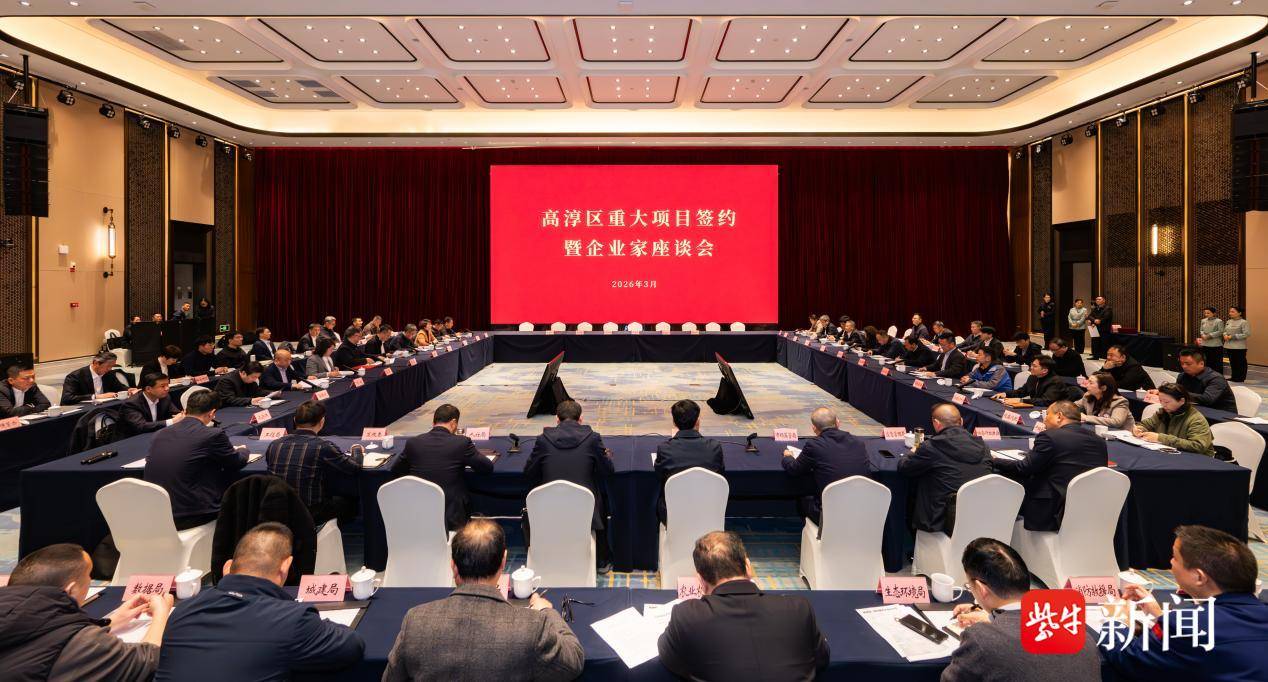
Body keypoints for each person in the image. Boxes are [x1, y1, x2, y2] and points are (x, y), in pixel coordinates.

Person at [156, 523, 364, 680]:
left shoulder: (181, 612)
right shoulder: (292, 620)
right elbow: (352, 645)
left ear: (228, 567)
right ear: (285, 567)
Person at [383, 519, 583, 681]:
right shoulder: (533, 626)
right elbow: (573, 661)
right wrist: (547, 612)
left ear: (453, 566)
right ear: (503, 561)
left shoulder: (416, 620)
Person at [1100, 525, 1268, 681]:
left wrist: (1116, 620)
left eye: (1175, 557)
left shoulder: (1186, 626)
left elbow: (1130, 659)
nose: (1171, 563)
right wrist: (1160, 616)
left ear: (1199, 577)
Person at [658, 531, 829, 681]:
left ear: (701, 581)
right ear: (748, 567)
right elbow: (822, 657)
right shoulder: (799, 609)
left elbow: (669, 658)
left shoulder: (687, 617)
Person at [0, 543, 172, 680]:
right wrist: (161, 614)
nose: (91, 579)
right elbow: (148, 660)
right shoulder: (83, 644)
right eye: (89, 574)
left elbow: (41, 632)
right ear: (71, 590)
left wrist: (110, 622)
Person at [942, 538, 1100, 681]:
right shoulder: (1078, 631)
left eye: (969, 587)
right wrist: (993, 618)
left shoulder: (981, 639)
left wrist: (992, 626)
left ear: (981, 589)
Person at [524, 400, 615, 572]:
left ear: (557, 420)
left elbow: (529, 472)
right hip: (585, 512)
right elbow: (608, 471)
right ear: (581, 419)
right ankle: (601, 560)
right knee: (598, 494)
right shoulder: (593, 439)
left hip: (548, 510)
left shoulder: (543, 440)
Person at [991, 400, 1107, 532]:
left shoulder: (1050, 437)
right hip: (1090, 510)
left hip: (1051, 511)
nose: (1044, 420)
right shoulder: (1099, 441)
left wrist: (994, 460)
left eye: (1047, 415)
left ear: (1059, 416)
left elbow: (1024, 468)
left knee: (1003, 481)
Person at [143, 389, 249, 529]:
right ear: (211, 413)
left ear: (186, 410)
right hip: (192, 513)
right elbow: (236, 462)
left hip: (157, 511)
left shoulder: (160, 433)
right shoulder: (213, 435)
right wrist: (243, 450)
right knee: (241, 502)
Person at [390, 404, 493, 530]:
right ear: (454, 423)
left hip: (418, 510)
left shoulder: (413, 442)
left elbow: (396, 470)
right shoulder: (461, 442)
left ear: (433, 422)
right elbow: (486, 467)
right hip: (452, 515)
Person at [897, 404, 991, 533]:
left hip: (941, 523)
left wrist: (913, 451)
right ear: (961, 421)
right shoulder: (983, 445)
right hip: (979, 517)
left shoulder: (931, 447)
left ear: (936, 423)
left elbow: (904, 468)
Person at [265, 401, 362, 524]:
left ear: (294, 420)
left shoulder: (274, 444)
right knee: (350, 501)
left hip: (277, 510)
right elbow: (355, 468)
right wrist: (357, 449)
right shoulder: (323, 446)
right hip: (310, 512)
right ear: (322, 422)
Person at [781, 406, 874, 525]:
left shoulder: (814, 445)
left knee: (802, 498)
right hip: (863, 512)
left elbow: (794, 469)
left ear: (814, 428)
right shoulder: (859, 443)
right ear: (838, 423)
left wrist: (788, 456)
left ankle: (814, 532)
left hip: (829, 516)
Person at [654, 399, 725, 525]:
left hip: (673, 516)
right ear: (697, 421)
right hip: (709, 512)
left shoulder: (665, 449)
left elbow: (659, 474)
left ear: (674, 422)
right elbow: (721, 473)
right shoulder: (714, 447)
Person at [1134, 383, 1216, 456]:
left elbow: (1198, 446)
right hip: (1170, 454)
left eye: (1166, 402)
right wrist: (1139, 429)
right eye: (1160, 401)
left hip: (1196, 460)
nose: (1163, 405)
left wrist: (1160, 438)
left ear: (1182, 401)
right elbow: (1145, 424)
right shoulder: (1163, 413)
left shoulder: (1196, 419)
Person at [1164, 348, 1237, 412]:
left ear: (1201, 364)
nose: (1184, 366)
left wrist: (1179, 393)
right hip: (1195, 410)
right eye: (1182, 363)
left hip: (1221, 414)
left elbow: (1207, 399)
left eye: (1188, 364)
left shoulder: (1216, 378)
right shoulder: (1182, 376)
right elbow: (1177, 394)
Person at [118, 373, 183, 436]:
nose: (167, 388)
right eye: (162, 386)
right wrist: (172, 421)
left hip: (156, 434)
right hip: (133, 438)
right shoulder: (131, 404)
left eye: (167, 385)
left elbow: (175, 413)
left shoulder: (164, 397)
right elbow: (141, 426)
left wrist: (182, 415)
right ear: (148, 389)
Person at [61, 351, 129, 405]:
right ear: (96, 363)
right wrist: (96, 396)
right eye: (108, 366)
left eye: (112, 366)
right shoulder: (75, 376)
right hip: (83, 410)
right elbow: (67, 398)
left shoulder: (109, 373)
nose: (110, 369)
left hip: (105, 406)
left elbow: (119, 387)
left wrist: (129, 390)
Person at [997, 356, 1069, 407]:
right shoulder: (1033, 377)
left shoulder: (1056, 382)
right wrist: (1005, 394)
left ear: (1045, 370)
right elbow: (1022, 391)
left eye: (1034, 366)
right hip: (1037, 408)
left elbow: (1045, 401)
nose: (1031, 368)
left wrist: (1021, 401)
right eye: (1031, 365)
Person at [1223, 305, 1251, 382]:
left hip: (1239, 347)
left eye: (1232, 312)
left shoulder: (1244, 322)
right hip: (1229, 345)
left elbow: (1247, 334)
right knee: (1232, 362)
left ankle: (1240, 378)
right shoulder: (1228, 321)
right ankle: (1234, 376)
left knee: (1240, 363)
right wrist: (1225, 335)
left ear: (1239, 313)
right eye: (1230, 311)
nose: (1230, 313)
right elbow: (1225, 331)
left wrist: (1233, 336)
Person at [1196, 307, 1225, 375]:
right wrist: (1202, 335)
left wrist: (1209, 335)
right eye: (1205, 313)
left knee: (1216, 362)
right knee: (1207, 361)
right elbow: (1201, 330)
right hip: (1205, 344)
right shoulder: (1203, 320)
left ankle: (1217, 375)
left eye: (1208, 313)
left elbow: (1221, 331)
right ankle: (1207, 375)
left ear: (1214, 313)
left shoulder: (1219, 321)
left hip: (1215, 344)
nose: (1206, 314)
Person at [1089, 295, 1113, 359]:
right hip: (1095, 328)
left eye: (1099, 299)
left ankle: (1104, 356)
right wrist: (1094, 320)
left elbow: (1106, 317)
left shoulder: (1108, 308)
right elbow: (1090, 316)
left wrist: (1098, 320)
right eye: (1096, 299)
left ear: (1104, 300)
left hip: (1104, 329)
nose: (1097, 300)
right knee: (1095, 343)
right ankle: (1095, 356)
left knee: (1104, 343)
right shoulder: (1095, 308)